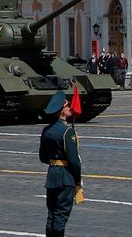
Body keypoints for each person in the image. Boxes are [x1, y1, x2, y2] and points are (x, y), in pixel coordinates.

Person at [38, 89, 82, 237]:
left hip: (52, 177)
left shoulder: (47, 130)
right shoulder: (67, 132)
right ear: (62, 111)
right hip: (66, 177)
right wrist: (78, 179)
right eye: (68, 106)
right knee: (61, 217)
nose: (71, 108)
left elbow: (42, 157)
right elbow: (74, 161)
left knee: (52, 215)